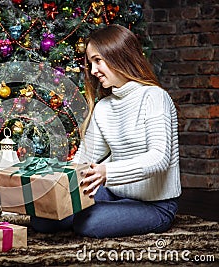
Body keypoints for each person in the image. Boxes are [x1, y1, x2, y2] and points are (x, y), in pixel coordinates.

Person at [31, 24, 181, 238]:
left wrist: (107, 172)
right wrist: (56, 182)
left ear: (119, 55)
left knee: (88, 224)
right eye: (91, 63)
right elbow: (85, 157)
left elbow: (159, 159)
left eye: (97, 60)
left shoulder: (155, 97)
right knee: (44, 219)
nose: (93, 71)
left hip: (155, 205)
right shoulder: (104, 106)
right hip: (115, 193)